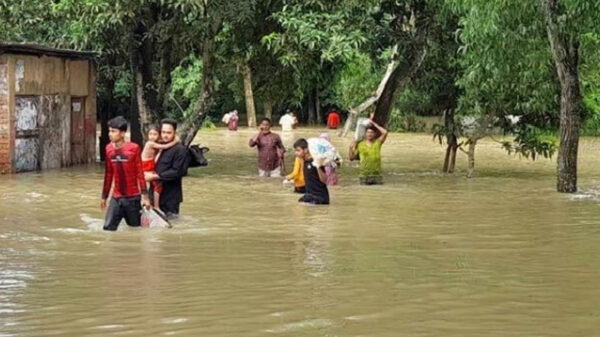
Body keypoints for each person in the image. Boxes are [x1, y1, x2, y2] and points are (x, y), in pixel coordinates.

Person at [101, 116, 151, 231]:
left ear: (122, 133)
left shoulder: (134, 148)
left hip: (132, 198)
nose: (110, 134)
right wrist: (104, 196)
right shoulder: (108, 149)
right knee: (108, 228)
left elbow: (140, 173)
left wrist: (145, 197)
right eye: (109, 131)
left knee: (136, 229)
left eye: (113, 131)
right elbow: (108, 174)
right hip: (116, 197)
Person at [145, 119, 188, 218]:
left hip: (170, 198)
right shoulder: (158, 146)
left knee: (169, 227)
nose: (165, 135)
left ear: (175, 133)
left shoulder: (180, 150)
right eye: (163, 132)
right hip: (153, 194)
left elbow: (179, 171)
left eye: (169, 133)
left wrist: (156, 176)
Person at [141, 125, 179, 210]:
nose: (152, 136)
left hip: (149, 165)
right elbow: (165, 146)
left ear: (158, 135)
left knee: (153, 184)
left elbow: (163, 142)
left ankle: (148, 202)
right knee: (156, 184)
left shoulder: (157, 142)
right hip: (146, 165)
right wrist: (175, 141)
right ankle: (155, 206)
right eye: (150, 134)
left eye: (155, 134)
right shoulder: (150, 143)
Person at [349, 119, 388, 185]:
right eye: (368, 132)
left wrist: (374, 124)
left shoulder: (377, 143)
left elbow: (385, 132)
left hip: (377, 175)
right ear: (365, 134)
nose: (369, 134)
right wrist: (350, 149)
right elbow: (351, 158)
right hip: (364, 176)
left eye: (372, 132)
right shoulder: (360, 144)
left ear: (375, 134)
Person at [293, 138, 329, 205]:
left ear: (306, 150)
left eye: (298, 150)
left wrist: (318, 167)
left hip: (320, 197)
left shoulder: (316, 161)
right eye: (295, 151)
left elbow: (325, 180)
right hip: (309, 195)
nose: (296, 153)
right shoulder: (304, 161)